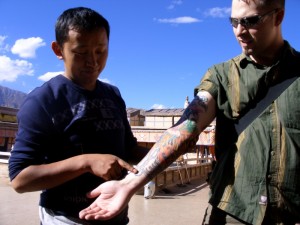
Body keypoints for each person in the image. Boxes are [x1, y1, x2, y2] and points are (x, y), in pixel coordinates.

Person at [78, 0, 300, 224]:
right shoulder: (222, 76)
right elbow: (186, 127)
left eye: (250, 21)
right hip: (234, 213)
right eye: (233, 22)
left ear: (278, 17)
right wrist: (128, 184)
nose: (239, 31)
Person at [8, 7, 148, 225]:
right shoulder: (43, 101)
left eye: (100, 51)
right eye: (81, 52)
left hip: (117, 215)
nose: (92, 61)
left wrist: (169, 149)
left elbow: (128, 150)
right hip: (66, 218)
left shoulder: (113, 95)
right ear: (58, 49)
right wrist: (86, 162)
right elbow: (20, 179)